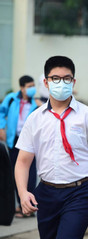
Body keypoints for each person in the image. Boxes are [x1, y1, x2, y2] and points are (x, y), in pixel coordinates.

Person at [14, 56, 88, 239]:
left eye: (66, 78)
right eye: (55, 78)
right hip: (47, 194)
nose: (61, 83)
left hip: (80, 193)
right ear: (46, 83)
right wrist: (23, 192)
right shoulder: (35, 118)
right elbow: (23, 162)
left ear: (73, 82)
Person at [0, 75, 38, 218]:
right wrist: (1, 127)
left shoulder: (36, 103)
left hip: (30, 142)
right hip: (13, 140)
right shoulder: (11, 99)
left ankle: (31, 204)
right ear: (22, 88)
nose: (32, 89)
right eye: (29, 86)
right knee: (17, 171)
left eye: (33, 85)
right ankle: (22, 203)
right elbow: (1, 112)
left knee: (32, 173)